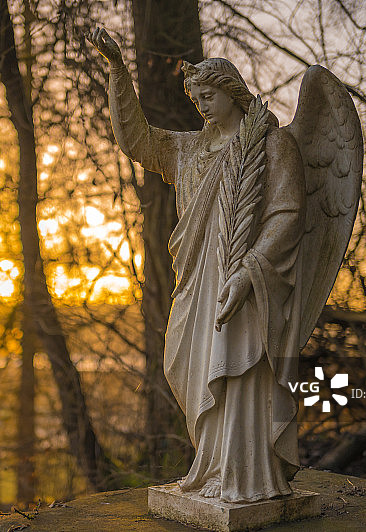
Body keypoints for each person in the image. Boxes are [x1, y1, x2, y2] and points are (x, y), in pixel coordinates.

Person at [88, 27, 307, 502]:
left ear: (232, 92)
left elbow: (287, 216)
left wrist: (249, 274)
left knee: (240, 372)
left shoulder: (273, 147)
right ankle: (211, 468)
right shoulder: (187, 149)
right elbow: (136, 140)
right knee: (186, 365)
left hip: (245, 281)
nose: (201, 106)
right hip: (196, 282)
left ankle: (246, 476)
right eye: (195, 99)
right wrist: (117, 73)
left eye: (208, 96)